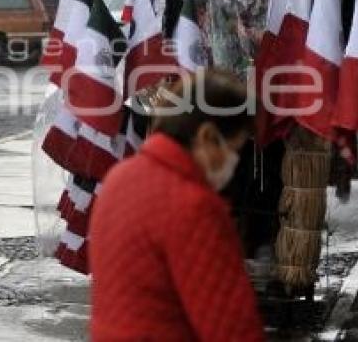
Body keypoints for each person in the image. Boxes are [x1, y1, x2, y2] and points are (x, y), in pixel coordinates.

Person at [89, 68, 264, 342]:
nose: (235, 160)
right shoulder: (194, 206)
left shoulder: (118, 179)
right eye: (235, 147)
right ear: (207, 137)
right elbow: (231, 328)